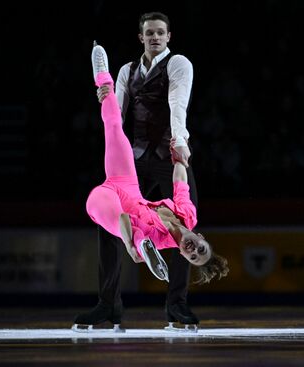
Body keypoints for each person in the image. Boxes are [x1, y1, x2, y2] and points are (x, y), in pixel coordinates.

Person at [73, 42, 228, 331]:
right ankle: (101, 77)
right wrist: (181, 157)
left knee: (107, 215)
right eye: (201, 248)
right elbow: (180, 182)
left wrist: (134, 244)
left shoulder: (160, 239)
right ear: (201, 236)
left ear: (183, 255)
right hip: (130, 175)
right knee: (113, 126)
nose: (193, 250)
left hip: (113, 203)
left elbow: (121, 218)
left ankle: (167, 290)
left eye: (192, 255)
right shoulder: (187, 215)